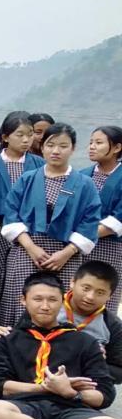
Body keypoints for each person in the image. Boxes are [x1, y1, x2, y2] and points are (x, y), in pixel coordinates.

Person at [0, 272, 121, 419]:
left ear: (62, 301)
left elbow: (105, 395)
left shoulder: (85, 341)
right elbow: (2, 387)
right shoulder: (9, 339)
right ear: (23, 300)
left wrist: (71, 393)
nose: (45, 306)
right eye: (37, 299)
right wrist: (46, 388)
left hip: (70, 408)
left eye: (53, 300)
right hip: (26, 408)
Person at [0, 123, 102, 330]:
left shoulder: (85, 184)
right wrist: (31, 247)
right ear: (42, 147)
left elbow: (90, 221)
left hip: (66, 255)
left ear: (73, 148)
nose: (56, 151)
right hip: (26, 250)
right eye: (50, 145)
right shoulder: (27, 179)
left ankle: (58, 351)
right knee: (23, 301)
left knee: (60, 306)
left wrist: (67, 252)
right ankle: (13, 346)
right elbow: (11, 213)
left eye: (63, 146)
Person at [0, 114, 43, 358]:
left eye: (30, 134)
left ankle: (17, 337)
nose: (26, 140)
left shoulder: (37, 164)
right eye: (19, 135)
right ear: (5, 137)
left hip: (28, 230)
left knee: (17, 284)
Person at [0, 261, 122, 384]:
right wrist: (6, 336)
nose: (90, 297)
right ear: (72, 282)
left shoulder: (113, 325)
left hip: (77, 383)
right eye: (86, 288)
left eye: (100, 292)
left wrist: (96, 362)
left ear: (110, 295)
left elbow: (119, 371)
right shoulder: (46, 306)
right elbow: (20, 339)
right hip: (34, 373)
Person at [82, 126, 122, 314]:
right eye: (91, 142)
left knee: (103, 295)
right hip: (79, 247)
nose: (92, 147)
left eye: (98, 143)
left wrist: (83, 235)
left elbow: (118, 219)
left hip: (110, 246)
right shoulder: (82, 175)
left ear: (116, 148)